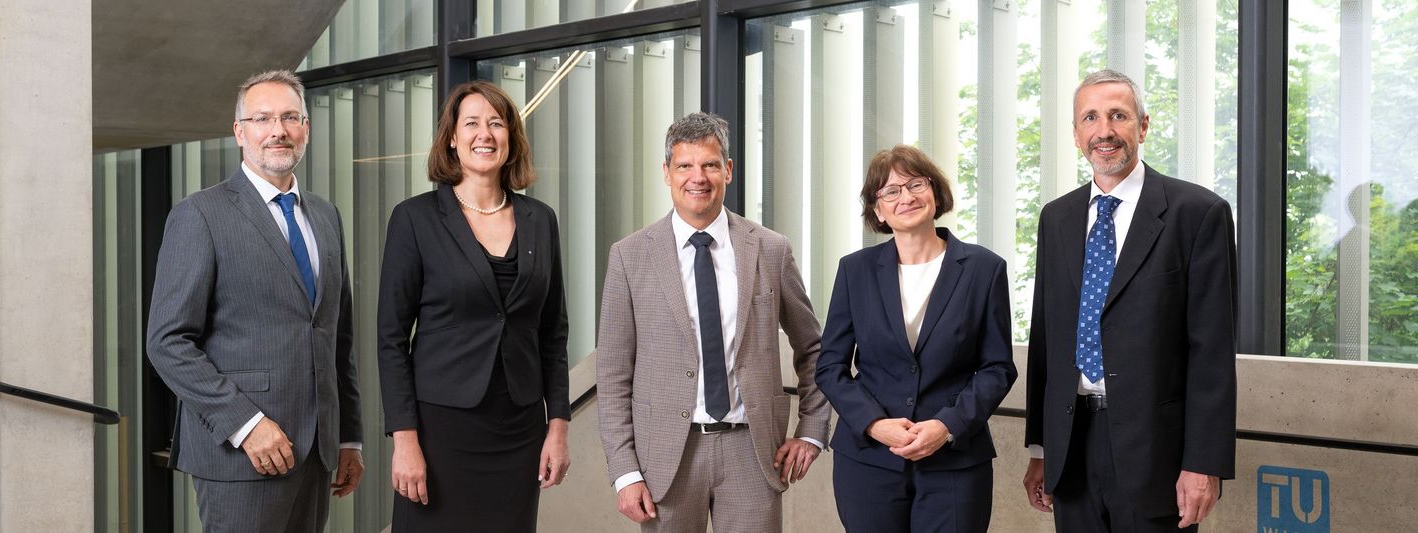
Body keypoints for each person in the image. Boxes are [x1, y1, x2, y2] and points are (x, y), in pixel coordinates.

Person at [146, 69, 364, 533]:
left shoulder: (325, 216)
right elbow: (167, 342)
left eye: (290, 117)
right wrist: (246, 424)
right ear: (239, 132)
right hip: (242, 453)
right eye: (262, 118)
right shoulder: (200, 214)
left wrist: (348, 437)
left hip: (316, 452)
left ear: (306, 128)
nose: (278, 130)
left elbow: (336, 338)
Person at [1022, 69, 1237, 532]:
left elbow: (1212, 353)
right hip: (1071, 447)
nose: (1104, 131)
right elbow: (1046, 340)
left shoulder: (1198, 214)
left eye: (1118, 116)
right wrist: (1041, 449)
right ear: (1076, 134)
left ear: (1143, 126)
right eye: (1090, 118)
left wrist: (1204, 463)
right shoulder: (1056, 218)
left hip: (1157, 455)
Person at [597, 112, 831, 532]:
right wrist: (624, 471)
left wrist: (812, 430)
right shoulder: (629, 256)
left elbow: (813, 348)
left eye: (709, 164)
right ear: (666, 172)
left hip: (753, 452)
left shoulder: (771, 249)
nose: (698, 177)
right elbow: (613, 373)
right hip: (665, 456)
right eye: (684, 165)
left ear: (728, 170)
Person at [376, 80, 570, 533]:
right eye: (472, 124)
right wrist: (404, 440)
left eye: (496, 124)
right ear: (451, 137)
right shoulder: (415, 218)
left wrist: (558, 427)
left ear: (511, 138)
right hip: (440, 431)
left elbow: (553, 333)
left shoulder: (540, 220)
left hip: (519, 429)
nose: (485, 134)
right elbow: (390, 340)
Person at [816, 145, 1016, 533]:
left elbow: (997, 368)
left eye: (916, 185)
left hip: (955, 461)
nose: (905, 197)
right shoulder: (855, 270)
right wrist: (874, 424)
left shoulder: (984, 269)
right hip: (869, 461)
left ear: (935, 193)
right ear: (878, 210)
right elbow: (830, 367)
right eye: (891, 191)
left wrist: (946, 425)